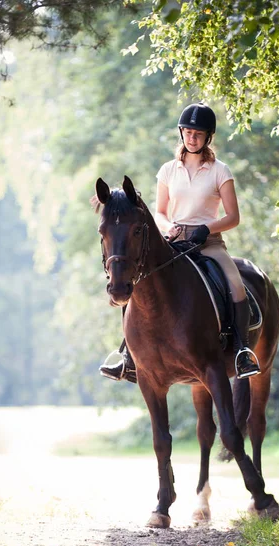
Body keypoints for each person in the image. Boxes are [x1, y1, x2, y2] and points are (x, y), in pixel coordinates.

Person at [100, 102, 260, 382]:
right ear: (181, 133)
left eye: (198, 133)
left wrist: (205, 228)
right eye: (187, 131)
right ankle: (128, 356)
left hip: (208, 243)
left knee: (235, 283)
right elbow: (159, 212)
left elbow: (233, 216)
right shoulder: (168, 171)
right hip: (173, 242)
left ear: (208, 136)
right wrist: (168, 227)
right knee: (136, 284)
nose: (192, 137)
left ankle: (241, 350)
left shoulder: (220, 171)